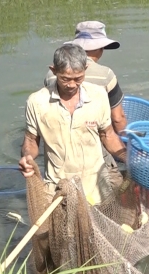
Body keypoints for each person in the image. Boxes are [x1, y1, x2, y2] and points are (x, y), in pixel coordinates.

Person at [19, 44, 127, 205]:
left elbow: (108, 135)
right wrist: (27, 158)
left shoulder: (98, 96)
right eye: (65, 79)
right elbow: (31, 140)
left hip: (96, 188)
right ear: (53, 70)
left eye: (78, 78)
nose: (71, 85)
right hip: (57, 190)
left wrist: (128, 158)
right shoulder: (37, 102)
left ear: (86, 69)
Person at [44, 21, 126, 185]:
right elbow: (117, 119)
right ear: (99, 49)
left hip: (59, 149)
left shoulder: (52, 74)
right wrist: (126, 149)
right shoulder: (105, 75)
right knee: (115, 185)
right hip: (94, 146)